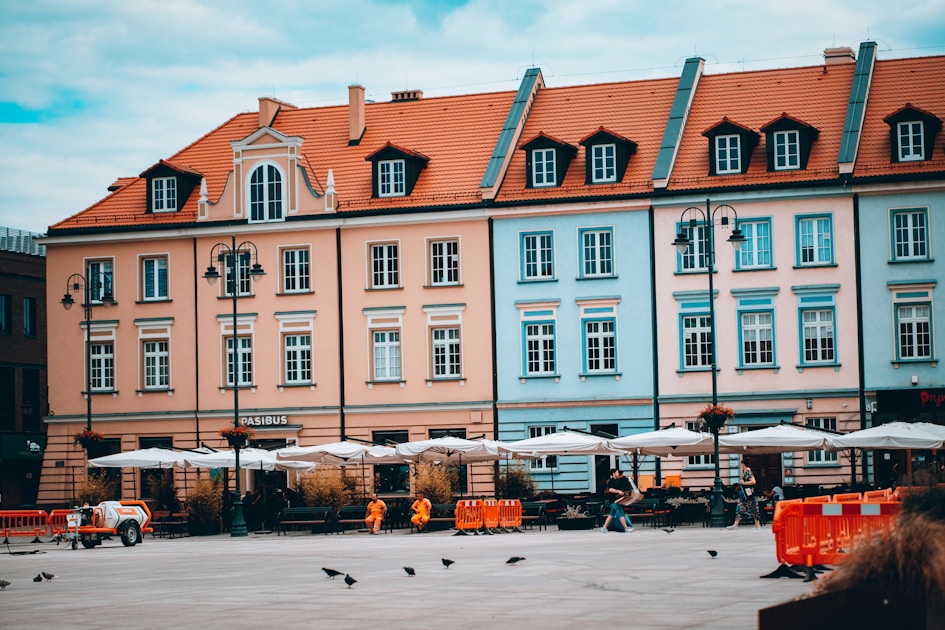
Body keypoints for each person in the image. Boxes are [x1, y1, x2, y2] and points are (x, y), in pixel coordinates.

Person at [728, 459, 761, 529]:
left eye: (741, 464)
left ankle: (757, 526)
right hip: (747, 495)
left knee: (743, 507)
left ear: (743, 464)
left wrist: (744, 483)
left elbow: (753, 481)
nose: (741, 466)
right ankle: (736, 525)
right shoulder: (746, 471)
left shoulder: (748, 471)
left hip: (748, 495)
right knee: (744, 508)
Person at [601, 468, 635, 533]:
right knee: (621, 513)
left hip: (616, 500)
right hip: (614, 501)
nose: (618, 473)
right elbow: (610, 489)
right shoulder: (611, 481)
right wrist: (618, 491)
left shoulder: (617, 481)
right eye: (617, 472)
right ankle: (626, 528)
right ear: (613, 473)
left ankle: (604, 527)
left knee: (612, 514)